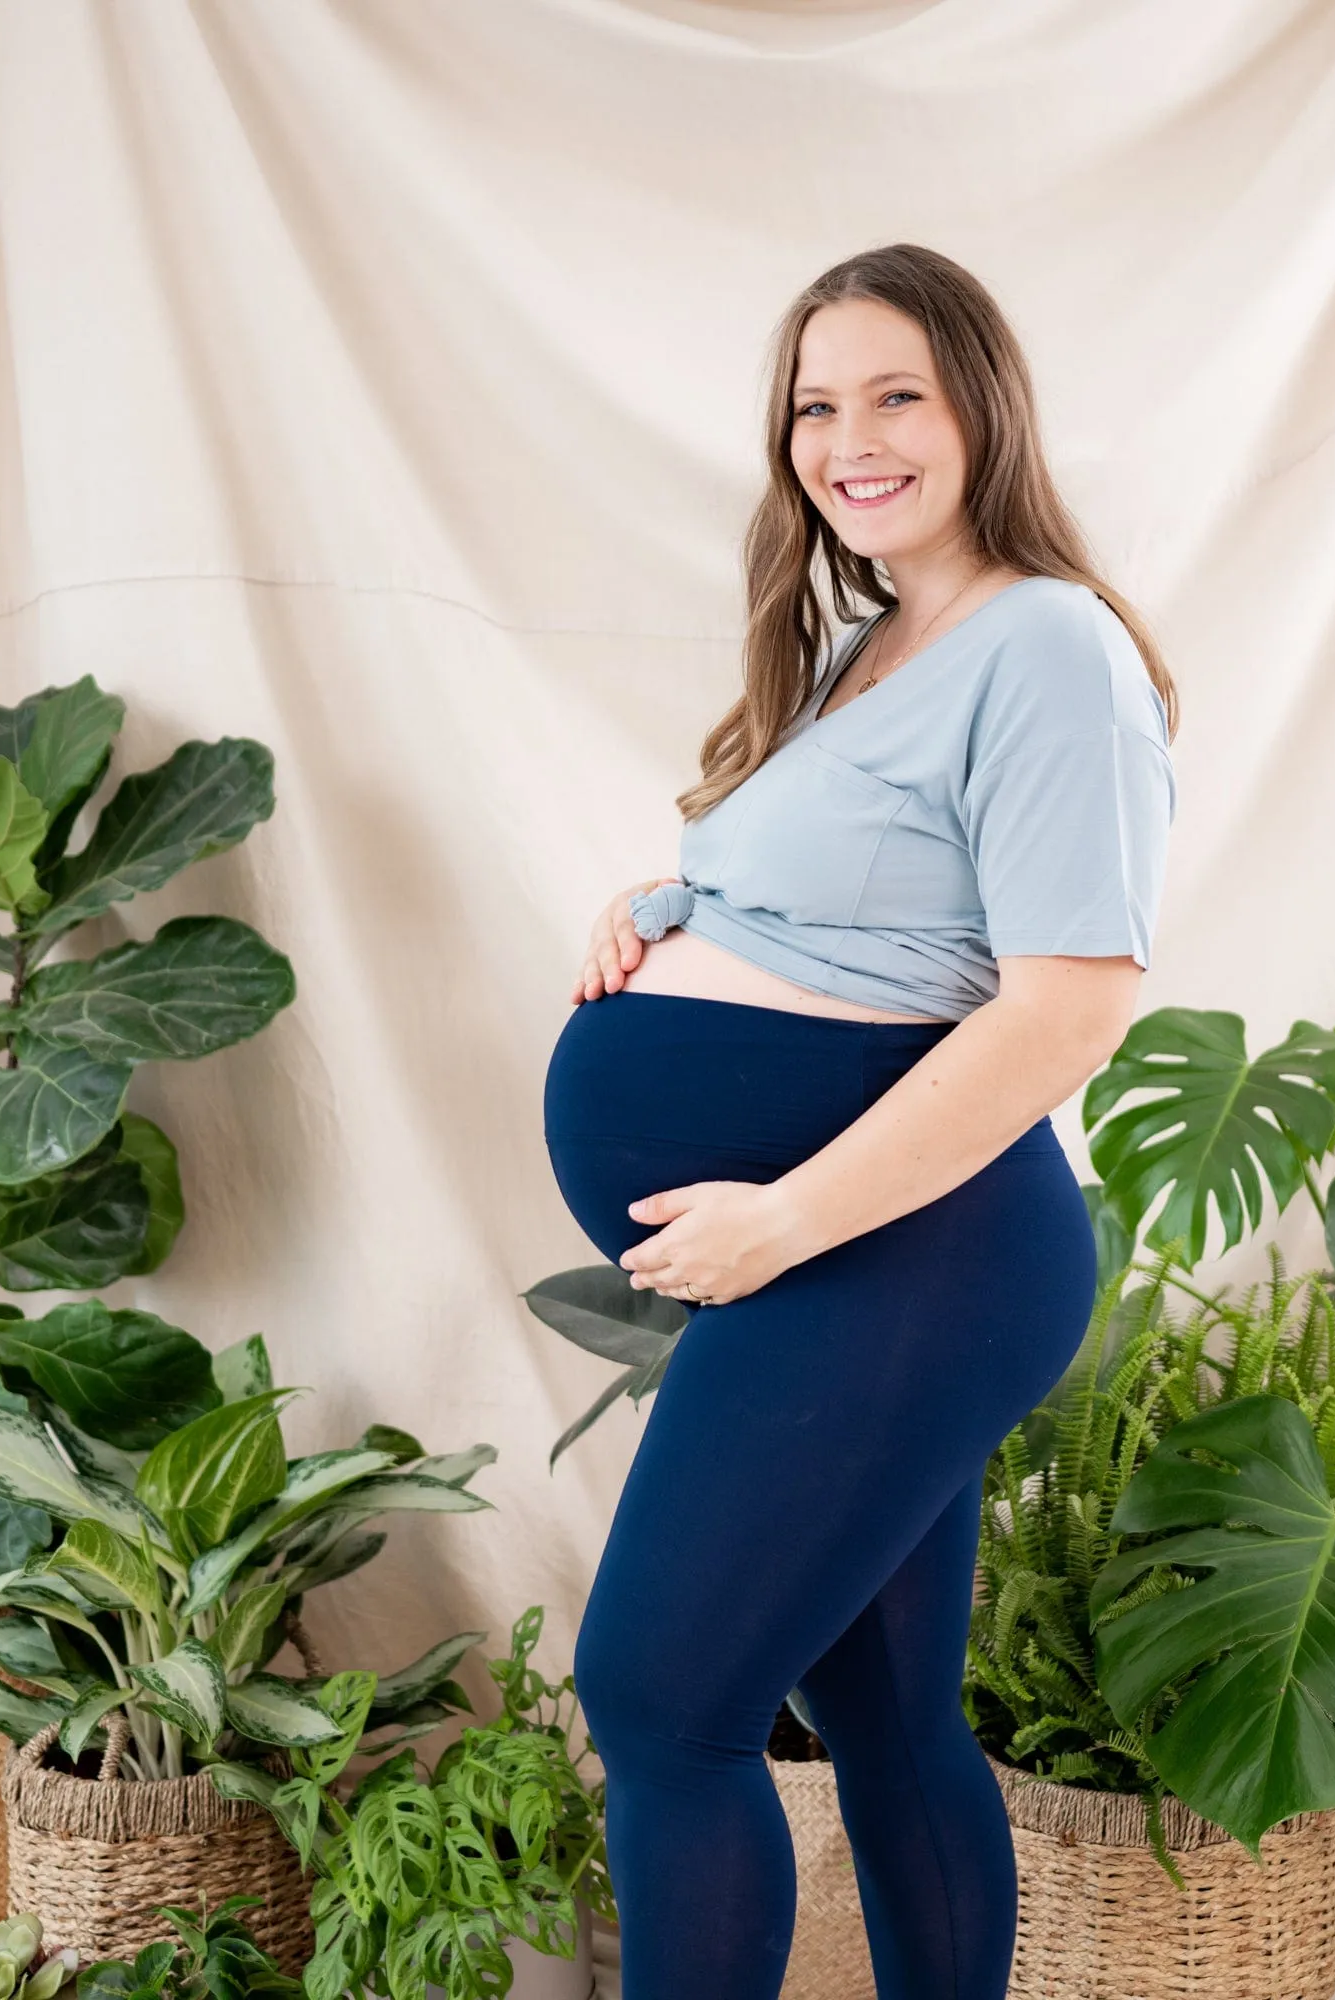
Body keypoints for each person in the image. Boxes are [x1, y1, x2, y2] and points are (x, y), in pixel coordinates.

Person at [540, 241, 1178, 1999]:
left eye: (897, 391)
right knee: (888, 1723)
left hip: (904, 1253)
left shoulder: (1048, 645)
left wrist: (783, 1223)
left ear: (984, 404)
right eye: (817, 404)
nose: (852, 436)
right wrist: (669, 909)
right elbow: (865, 916)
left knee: (663, 1707)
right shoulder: (869, 645)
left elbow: (1072, 1001)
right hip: (859, 1257)